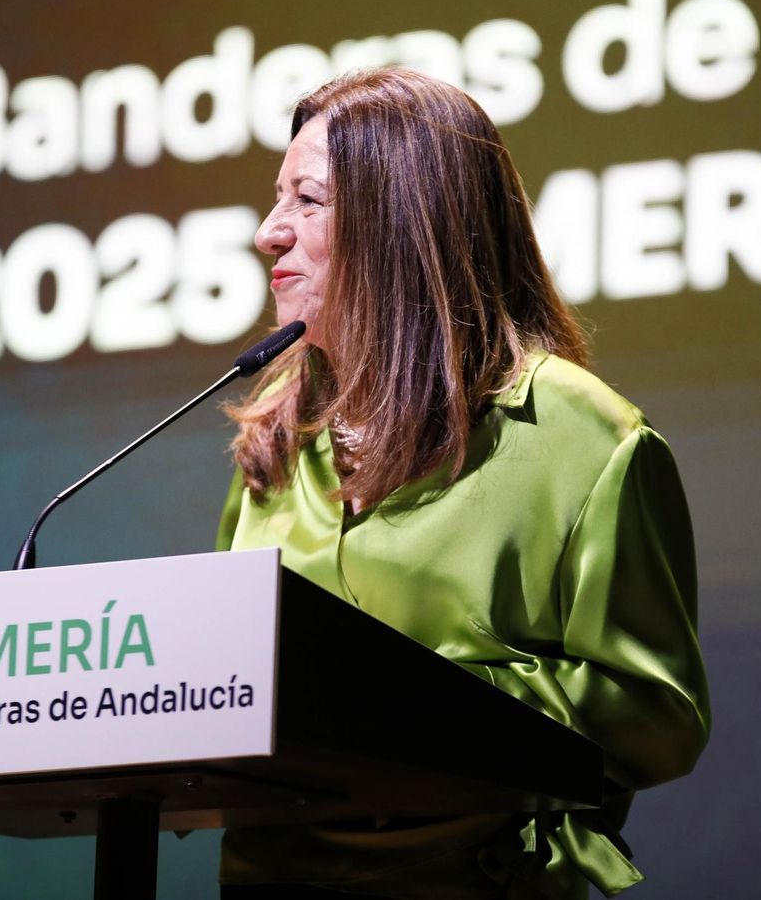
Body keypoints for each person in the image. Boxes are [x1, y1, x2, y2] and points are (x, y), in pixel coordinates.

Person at [216, 68, 709, 900]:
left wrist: (422, 700)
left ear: (401, 221)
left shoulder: (581, 439)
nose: (270, 232)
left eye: (306, 200)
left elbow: (655, 717)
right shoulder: (276, 437)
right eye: (277, 200)